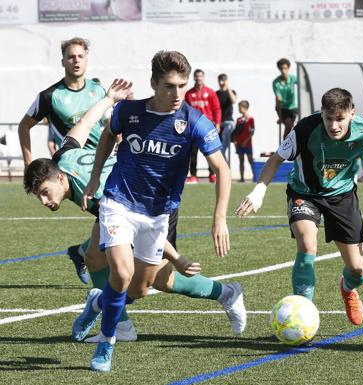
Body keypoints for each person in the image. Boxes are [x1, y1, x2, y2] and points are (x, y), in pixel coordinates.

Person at [23, 79, 246, 345]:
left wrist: (176, 257)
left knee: (154, 282)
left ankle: (225, 293)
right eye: (39, 196)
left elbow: (140, 222)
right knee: (94, 257)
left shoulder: (95, 196)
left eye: (45, 192)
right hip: (125, 200)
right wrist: (108, 99)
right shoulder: (62, 158)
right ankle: (122, 324)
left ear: (59, 180)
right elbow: (84, 124)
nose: (44, 200)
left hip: (149, 204)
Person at [76, 51, 237, 372]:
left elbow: (222, 168)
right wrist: (95, 178)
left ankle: (96, 302)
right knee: (121, 274)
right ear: (154, 83)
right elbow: (109, 135)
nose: (177, 93)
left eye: (182, 85)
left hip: (156, 215)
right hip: (118, 201)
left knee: (139, 289)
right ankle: (106, 345)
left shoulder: (193, 120)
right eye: (169, 86)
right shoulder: (129, 112)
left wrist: (219, 218)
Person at [235, 88, 363, 326]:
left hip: (342, 196)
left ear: (352, 113)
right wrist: (259, 191)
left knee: (358, 270)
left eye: (340, 119)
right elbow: (276, 159)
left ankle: (348, 289)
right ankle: (303, 316)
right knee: (307, 244)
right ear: (321, 113)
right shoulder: (305, 129)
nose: (333, 125)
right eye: (328, 118)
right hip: (305, 193)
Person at [17, 36, 107, 284]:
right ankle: (106, 296)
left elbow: (107, 124)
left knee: (114, 221)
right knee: (115, 221)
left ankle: (83, 255)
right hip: (74, 169)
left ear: (86, 58)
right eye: (70, 56)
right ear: (63, 61)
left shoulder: (98, 90)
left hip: (101, 164)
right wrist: (30, 167)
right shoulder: (49, 96)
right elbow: (24, 127)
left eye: (80, 55)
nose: (75, 60)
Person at [184, 69, 222, 183]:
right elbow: (185, 110)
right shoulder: (189, 93)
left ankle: (212, 174)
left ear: (203, 77)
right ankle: (193, 175)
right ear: (194, 78)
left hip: (207, 126)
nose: (198, 78)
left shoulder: (210, 92)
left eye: (200, 76)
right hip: (193, 127)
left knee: (209, 151)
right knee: (193, 153)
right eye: (196, 76)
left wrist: (218, 124)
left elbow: (217, 109)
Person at [273, 58, 298, 140]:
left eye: (285, 68)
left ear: (288, 68)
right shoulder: (276, 82)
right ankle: (285, 145)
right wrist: (280, 117)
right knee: (288, 124)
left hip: (293, 108)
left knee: (294, 128)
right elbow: (278, 100)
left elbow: (303, 85)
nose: (283, 71)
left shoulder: (293, 79)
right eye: (281, 68)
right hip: (283, 108)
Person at [216, 73, 237, 163]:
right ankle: (224, 163)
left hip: (229, 122)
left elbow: (234, 100)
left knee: (227, 130)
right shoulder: (216, 93)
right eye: (220, 80)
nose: (221, 82)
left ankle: (223, 150)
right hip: (219, 122)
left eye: (223, 80)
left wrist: (227, 87)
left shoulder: (231, 92)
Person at [234, 100, 255, 182]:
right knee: (241, 160)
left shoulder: (251, 119)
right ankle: (242, 178)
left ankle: (256, 176)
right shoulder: (238, 119)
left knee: (250, 160)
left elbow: (252, 132)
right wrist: (235, 141)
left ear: (245, 108)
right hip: (239, 144)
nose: (238, 109)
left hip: (248, 144)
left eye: (240, 107)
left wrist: (245, 141)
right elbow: (236, 132)